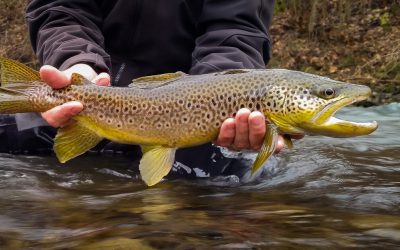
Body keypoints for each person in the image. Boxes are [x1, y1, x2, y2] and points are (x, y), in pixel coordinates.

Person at [1, 0, 302, 179]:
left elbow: (237, 33)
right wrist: (75, 61)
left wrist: (215, 100)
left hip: (191, 111)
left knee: (222, 188)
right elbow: (61, 7)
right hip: (88, 88)